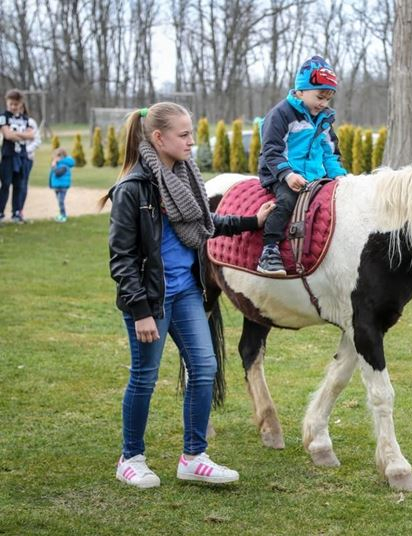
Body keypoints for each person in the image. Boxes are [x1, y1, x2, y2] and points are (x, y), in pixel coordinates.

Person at [106, 102, 275, 489]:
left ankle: (194, 457)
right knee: (144, 377)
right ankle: (130, 457)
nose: (191, 141)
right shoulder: (133, 188)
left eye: (191, 133)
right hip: (150, 302)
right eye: (183, 135)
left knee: (204, 368)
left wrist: (253, 221)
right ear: (158, 138)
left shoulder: (186, 178)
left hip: (186, 294)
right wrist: (142, 310)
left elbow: (207, 224)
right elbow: (122, 258)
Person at [256, 55, 347, 275]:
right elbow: (271, 151)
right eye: (319, 97)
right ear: (301, 90)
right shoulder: (280, 115)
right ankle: (269, 251)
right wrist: (287, 175)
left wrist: (341, 178)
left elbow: (330, 153)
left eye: (328, 99)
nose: (323, 104)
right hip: (280, 174)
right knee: (287, 201)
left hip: (315, 176)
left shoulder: (323, 119)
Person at [0, 89, 35, 223]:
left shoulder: (26, 119)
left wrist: (17, 135)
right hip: (8, 156)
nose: (13, 106)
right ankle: (1, 212)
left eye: (16, 104)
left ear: (21, 104)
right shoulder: (3, 116)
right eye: (11, 104)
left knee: (19, 185)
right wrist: (23, 135)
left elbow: (32, 135)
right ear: (7, 102)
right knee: (5, 184)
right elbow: (7, 135)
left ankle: (16, 212)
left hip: (22, 156)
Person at [19, 103, 42, 219]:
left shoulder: (30, 122)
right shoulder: (6, 121)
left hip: (27, 158)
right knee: (7, 185)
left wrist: (24, 151)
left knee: (23, 184)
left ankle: (19, 210)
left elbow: (37, 141)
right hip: (10, 157)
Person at [49, 148, 75, 222]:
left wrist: (53, 166)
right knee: (59, 202)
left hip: (62, 187)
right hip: (57, 186)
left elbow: (57, 173)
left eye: (56, 156)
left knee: (61, 201)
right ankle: (61, 214)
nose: (54, 158)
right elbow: (52, 175)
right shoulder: (59, 164)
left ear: (61, 156)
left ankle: (63, 215)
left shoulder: (64, 166)